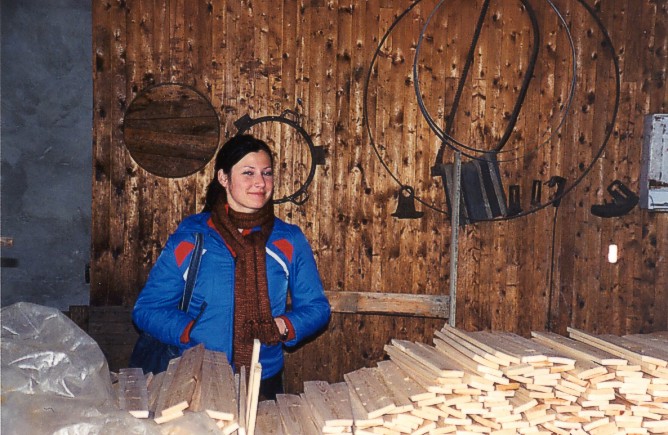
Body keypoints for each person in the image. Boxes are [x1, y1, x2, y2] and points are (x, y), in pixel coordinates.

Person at [132, 134, 331, 399]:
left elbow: (317, 308)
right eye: (248, 173)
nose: (260, 182)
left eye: (267, 173)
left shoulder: (289, 239)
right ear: (224, 178)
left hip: (263, 379)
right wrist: (191, 331)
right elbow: (147, 309)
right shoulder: (193, 236)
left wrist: (283, 326)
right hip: (196, 376)